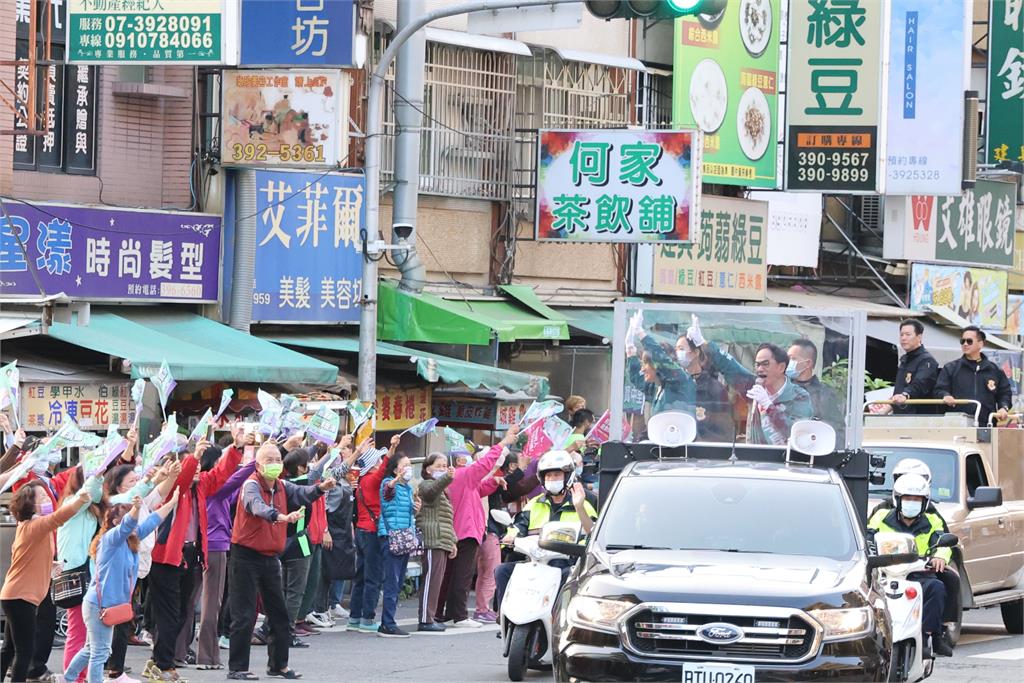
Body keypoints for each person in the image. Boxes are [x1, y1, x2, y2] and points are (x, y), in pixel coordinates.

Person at [227, 441, 336, 681]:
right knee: (244, 615)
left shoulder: (282, 486)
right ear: (258, 464)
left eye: (277, 460)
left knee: (279, 614)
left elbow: (303, 493)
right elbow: (256, 507)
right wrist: (279, 516)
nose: (275, 464)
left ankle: (278, 665)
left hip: (269, 556)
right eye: (269, 460)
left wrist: (321, 488)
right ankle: (237, 668)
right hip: (245, 555)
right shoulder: (251, 485)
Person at [64, 494, 178, 683]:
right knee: (100, 653)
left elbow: (152, 521)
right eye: (128, 519)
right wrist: (135, 509)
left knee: (92, 649)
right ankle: (70, 679)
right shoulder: (111, 539)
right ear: (115, 521)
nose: (134, 524)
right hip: (98, 606)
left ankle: (67, 679)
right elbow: (127, 525)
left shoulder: (131, 537)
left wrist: (173, 502)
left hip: (103, 605)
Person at [1, 479, 93, 682]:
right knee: (24, 651)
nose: (47, 499)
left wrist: (49, 566)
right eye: (41, 497)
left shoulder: (27, 526)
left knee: (9, 648)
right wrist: (79, 502)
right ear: (29, 503)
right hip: (21, 597)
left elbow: (25, 556)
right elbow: (58, 518)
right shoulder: (35, 524)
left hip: (15, 595)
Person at [493, 450, 597, 613]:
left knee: (567, 575)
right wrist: (510, 536)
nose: (552, 479)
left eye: (557, 475)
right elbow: (518, 526)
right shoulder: (534, 504)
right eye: (548, 476)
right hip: (535, 561)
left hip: (565, 563)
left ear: (567, 476)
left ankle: (560, 618)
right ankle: (505, 615)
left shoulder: (583, 503)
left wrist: (579, 507)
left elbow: (592, 532)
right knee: (502, 570)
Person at [867, 473, 957, 657]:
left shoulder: (933, 520)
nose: (912, 503)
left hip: (918, 573)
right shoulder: (881, 516)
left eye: (917, 500)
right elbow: (866, 538)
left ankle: (933, 635)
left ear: (925, 502)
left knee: (940, 587)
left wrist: (939, 557)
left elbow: (943, 543)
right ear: (898, 499)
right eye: (908, 499)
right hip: (883, 572)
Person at [688, 316, 813, 445]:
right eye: (757, 365)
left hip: (784, 460)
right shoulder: (755, 387)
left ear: (781, 367)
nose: (760, 369)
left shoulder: (799, 396)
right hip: (755, 458)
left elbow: (795, 432)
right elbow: (731, 368)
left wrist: (768, 406)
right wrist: (702, 343)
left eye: (765, 364)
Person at [441, 427, 518, 628]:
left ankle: (449, 612)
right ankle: (458, 615)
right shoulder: (463, 474)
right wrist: (503, 443)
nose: (471, 461)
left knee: (453, 574)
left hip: (460, 529)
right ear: (459, 461)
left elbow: (479, 489)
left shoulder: (458, 478)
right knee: (462, 575)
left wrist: (494, 481)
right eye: (467, 458)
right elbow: (485, 464)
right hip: (466, 530)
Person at [196, 436, 257, 671]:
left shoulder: (207, 485)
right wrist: (255, 462)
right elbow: (235, 480)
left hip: (209, 543)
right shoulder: (211, 484)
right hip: (215, 545)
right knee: (212, 603)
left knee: (200, 602)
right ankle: (206, 656)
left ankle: (195, 654)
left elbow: (234, 489)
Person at [54, 467, 105, 680]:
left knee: (85, 634)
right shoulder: (72, 504)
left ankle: (79, 676)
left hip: (86, 574)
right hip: (75, 575)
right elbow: (89, 491)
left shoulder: (90, 508)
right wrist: (98, 471)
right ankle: (73, 677)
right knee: (78, 632)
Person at [347, 435, 400, 634]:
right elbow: (387, 464)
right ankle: (367, 618)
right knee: (373, 577)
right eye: (377, 460)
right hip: (372, 533)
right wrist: (393, 446)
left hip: (361, 531)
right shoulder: (372, 478)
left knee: (360, 576)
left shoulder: (361, 480)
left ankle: (354, 617)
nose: (381, 462)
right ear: (372, 464)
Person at [376, 451, 419, 638]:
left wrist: (417, 509)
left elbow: (407, 515)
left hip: (404, 537)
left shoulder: (408, 489)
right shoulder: (388, 483)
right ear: (395, 470)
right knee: (392, 581)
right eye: (404, 464)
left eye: (410, 464)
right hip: (391, 536)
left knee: (399, 580)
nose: (408, 468)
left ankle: (388, 621)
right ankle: (387, 624)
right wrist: (394, 481)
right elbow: (387, 493)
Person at [934, 326, 1012, 426]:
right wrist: (945, 395)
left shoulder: (995, 370)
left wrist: (1003, 407)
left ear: (981, 344)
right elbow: (939, 390)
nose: (965, 344)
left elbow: (1005, 393)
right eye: (962, 341)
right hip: (957, 424)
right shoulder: (951, 368)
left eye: (969, 341)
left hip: (986, 423)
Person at [415, 453, 456, 632]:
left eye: (444, 465)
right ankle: (425, 619)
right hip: (432, 538)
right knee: (431, 579)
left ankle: (429, 617)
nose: (442, 468)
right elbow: (431, 493)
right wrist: (447, 477)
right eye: (438, 466)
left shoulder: (443, 490)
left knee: (437, 581)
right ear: (428, 468)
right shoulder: (426, 484)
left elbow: (447, 519)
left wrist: (453, 541)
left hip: (442, 539)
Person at [627, 325, 696, 419]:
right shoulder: (657, 387)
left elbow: (660, 358)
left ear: (657, 365)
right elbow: (638, 379)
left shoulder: (679, 382)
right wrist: (630, 354)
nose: (642, 369)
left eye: (645, 363)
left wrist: (641, 334)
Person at [787, 339, 846, 443]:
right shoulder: (785, 389)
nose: (788, 363)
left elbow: (837, 430)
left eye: (792, 359)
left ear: (807, 363)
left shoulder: (824, 394)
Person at [676, 335, 733, 442]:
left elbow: (724, 431)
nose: (677, 353)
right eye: (676, 349)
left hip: (704, 453)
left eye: (681, 349)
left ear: (696, 353)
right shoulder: (675, 386)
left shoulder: (714, 389)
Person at [882, 319, 939, 415]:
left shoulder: (927, 361)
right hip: (900, 415)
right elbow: (898, 391)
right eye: (901, 335)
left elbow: (919, 385)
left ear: (919, 337)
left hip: (918, 417)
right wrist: (883, 411)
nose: (903, 338)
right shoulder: (904, 360)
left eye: (908, 334)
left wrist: (905, 395)